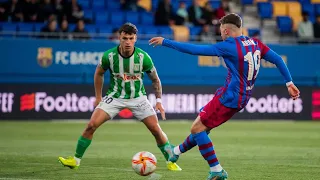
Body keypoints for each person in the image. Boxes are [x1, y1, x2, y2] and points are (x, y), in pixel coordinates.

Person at [149, 13, 300, 180]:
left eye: (221, 31)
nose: (221, 34)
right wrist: (289, 83)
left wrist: (166, 42)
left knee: (197, 129)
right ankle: (175, 152)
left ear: (227, 31)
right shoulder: (255, 43)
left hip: (230, 96)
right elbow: (278, 59)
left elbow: (195, 50)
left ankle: (216, 169)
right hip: (243, 97)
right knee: (204, 128)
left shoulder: (228, 45)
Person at [58, 23, 181, 171]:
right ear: (119, 38)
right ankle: (75, 160)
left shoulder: (143, 58)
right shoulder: (109, 56)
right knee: (91, 125)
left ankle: (170, 161)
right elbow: (99, 73)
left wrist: (159, 101)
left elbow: (155, 80)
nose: (128, 41)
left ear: (135, 38)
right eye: (124, 38)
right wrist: (98, 97)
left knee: (156, 129)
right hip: (114, 97)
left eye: (131, 38)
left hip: (138, 98)